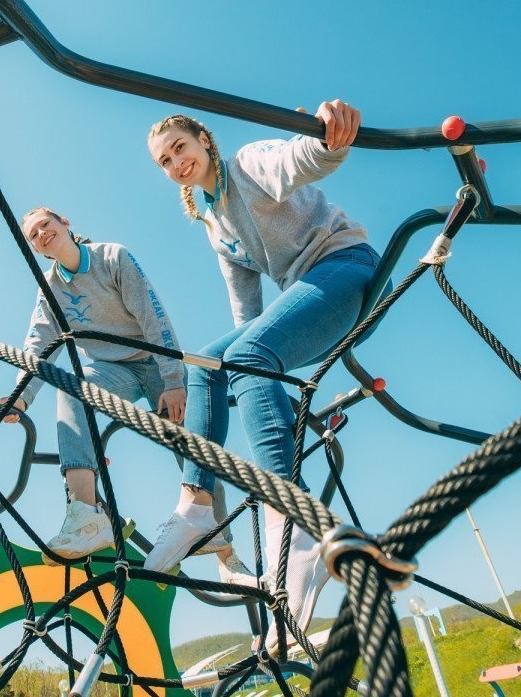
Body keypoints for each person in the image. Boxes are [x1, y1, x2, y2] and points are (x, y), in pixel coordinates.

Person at [143, 101, 379, 647]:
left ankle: (293, 528)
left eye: (180, 147)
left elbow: (299, 161)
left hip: (345, 268)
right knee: (206, 363)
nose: (175, 161)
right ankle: (196, 506)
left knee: (247, 358)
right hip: (302, 296)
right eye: (164, 160)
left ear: (204, 140)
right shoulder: (212, 219)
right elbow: (246, 311)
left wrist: (327, 140)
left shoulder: (248, 164)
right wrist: (245, 364)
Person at [0, 207, 255, 583]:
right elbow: (37, 343)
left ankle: (224, 553)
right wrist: (21, 396)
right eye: (33, 235)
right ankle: (86, 516)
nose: (42, 235)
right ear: (36, 249)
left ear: (65, 223)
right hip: (111, 370)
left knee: (189, 444)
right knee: (72, 383)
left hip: (154, 360)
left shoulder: (112, 257)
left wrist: (173, 380)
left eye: (45, 225)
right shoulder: (49, 289)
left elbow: (153, 315)